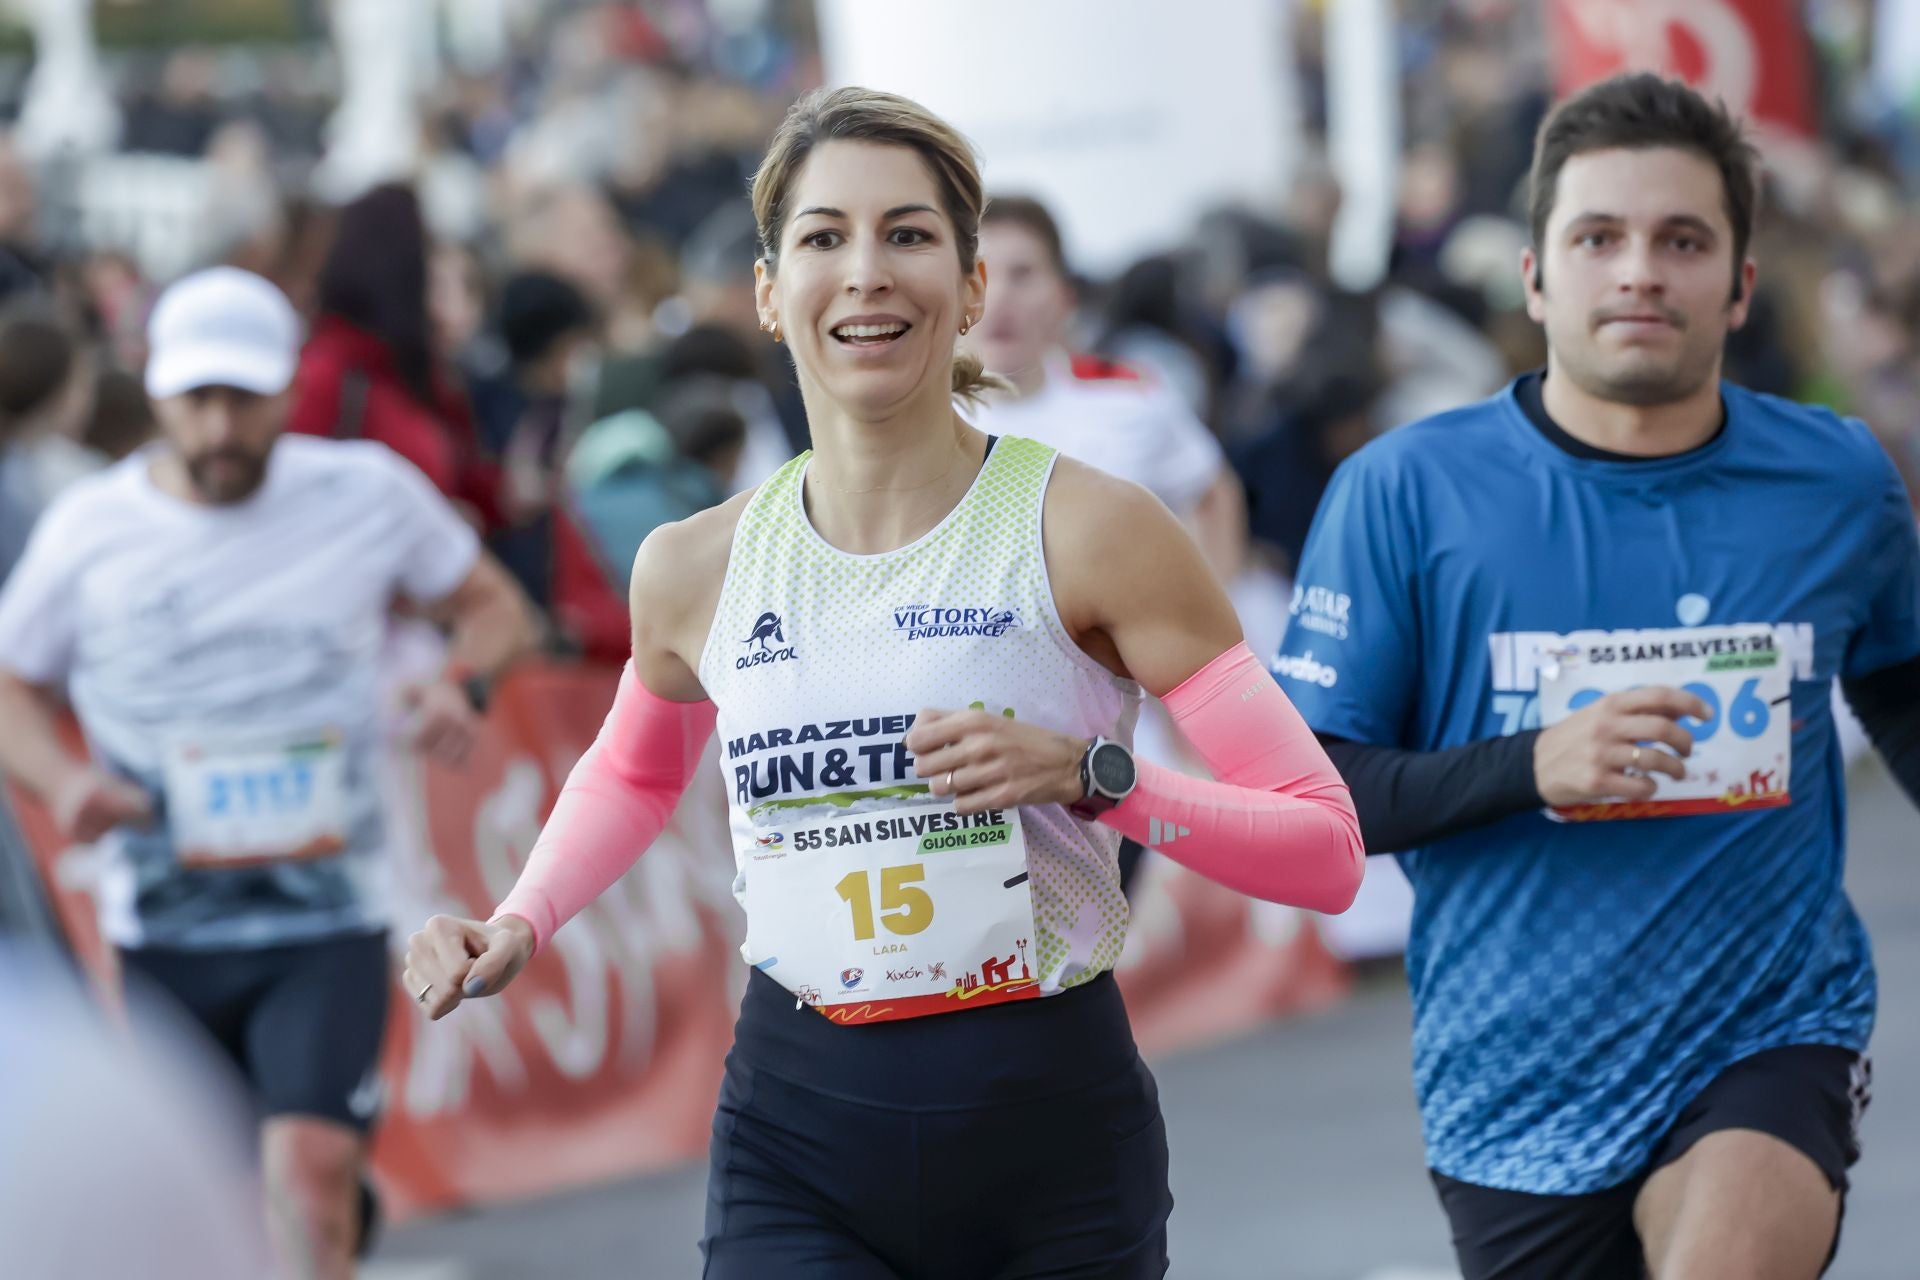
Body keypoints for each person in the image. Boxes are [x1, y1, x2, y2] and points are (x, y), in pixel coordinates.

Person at [404, 86, 1365, 1279]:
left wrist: (1096, 779)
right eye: (823, 238)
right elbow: (634, 772)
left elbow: (1325, 849)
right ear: (767, 292)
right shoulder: (694, 564)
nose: (866, 271)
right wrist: (518, 918)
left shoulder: (1095, 528)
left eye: (908, 234)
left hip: (1049, 1139)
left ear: (970, 289)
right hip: (799, 1136)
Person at [1272, 74, 1920, 1280]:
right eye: (1599, 238)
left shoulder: (1836, 481)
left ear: (1738, 285)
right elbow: (1315, 793)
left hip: (1771, 1028)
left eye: (1683, 241)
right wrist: (1535, 763)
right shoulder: (1407, 493)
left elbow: (1907, 688)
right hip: (1517, 1076)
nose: (1640, 271)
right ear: (1535, 276)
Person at [0, 266, 540, 1280]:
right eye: (195, 399)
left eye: (243, 399)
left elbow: (493, 604)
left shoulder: (364, 492)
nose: (218, 427)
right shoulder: (90, 528)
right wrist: (66, 785)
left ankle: (326, 1206)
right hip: (162, 926)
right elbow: (11, 684)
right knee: (194, 1206)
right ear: (153, 388)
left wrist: (459, 684)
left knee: (305, 1167)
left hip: (325, 914)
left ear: (288, 390)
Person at [965, 194, 1245, 582]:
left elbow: (1211, 493)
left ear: (1064, 297)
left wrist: (1211, 621)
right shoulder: (915, 416)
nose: (998, 298)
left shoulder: (1128, 397)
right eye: (979, 274)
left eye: (1022, 274)